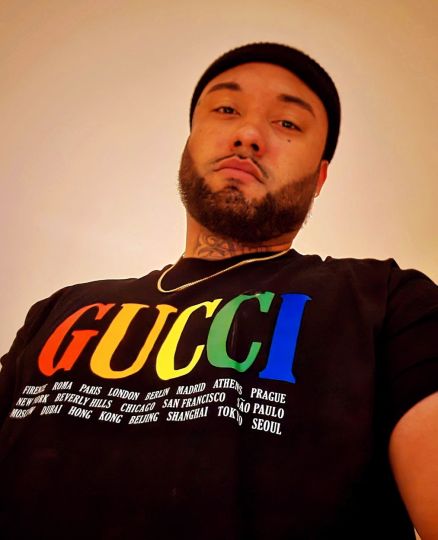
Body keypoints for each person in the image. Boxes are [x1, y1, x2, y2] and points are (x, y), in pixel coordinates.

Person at [0, 42, 437, 540]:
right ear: (189, 144)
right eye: (227, 109)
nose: (248, 135)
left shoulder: (389, 302)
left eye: (287, 123)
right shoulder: (59, 310)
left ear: (319, 177)